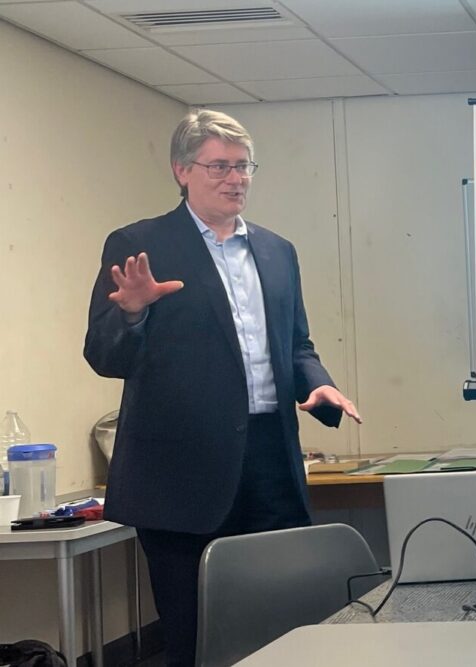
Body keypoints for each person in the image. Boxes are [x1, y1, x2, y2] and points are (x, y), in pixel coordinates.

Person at [84, 110, 361, 666]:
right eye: (220, 167)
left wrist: (319, 385)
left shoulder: (278, 251)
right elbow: (103, 355)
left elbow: (297, 344)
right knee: (196, 634)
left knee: (284, 622)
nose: (236, 179)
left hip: (271, 463)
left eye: (244, 166)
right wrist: (133, 314)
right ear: (182, 170)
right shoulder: (140, 244)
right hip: (180, 473)